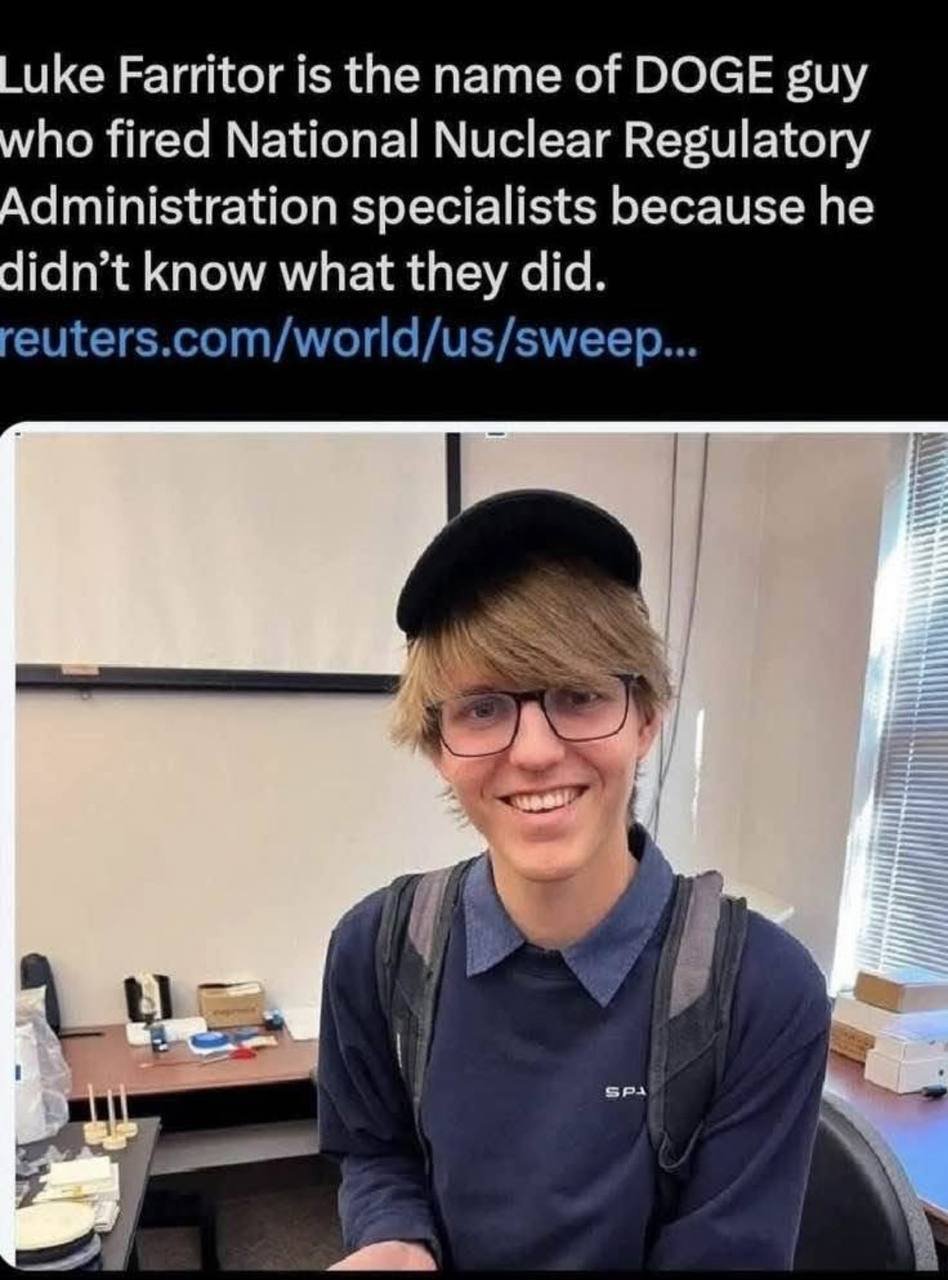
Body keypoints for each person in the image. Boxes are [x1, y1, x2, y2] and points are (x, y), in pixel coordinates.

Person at [316, 489, 831, 1270]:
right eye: (483, 709)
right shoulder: (377, 952)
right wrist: (395, 1238)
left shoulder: (761, 991)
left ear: (647, 719)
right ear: (437, 745)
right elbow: (376, 1148)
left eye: (580, 696)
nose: (533, 752)